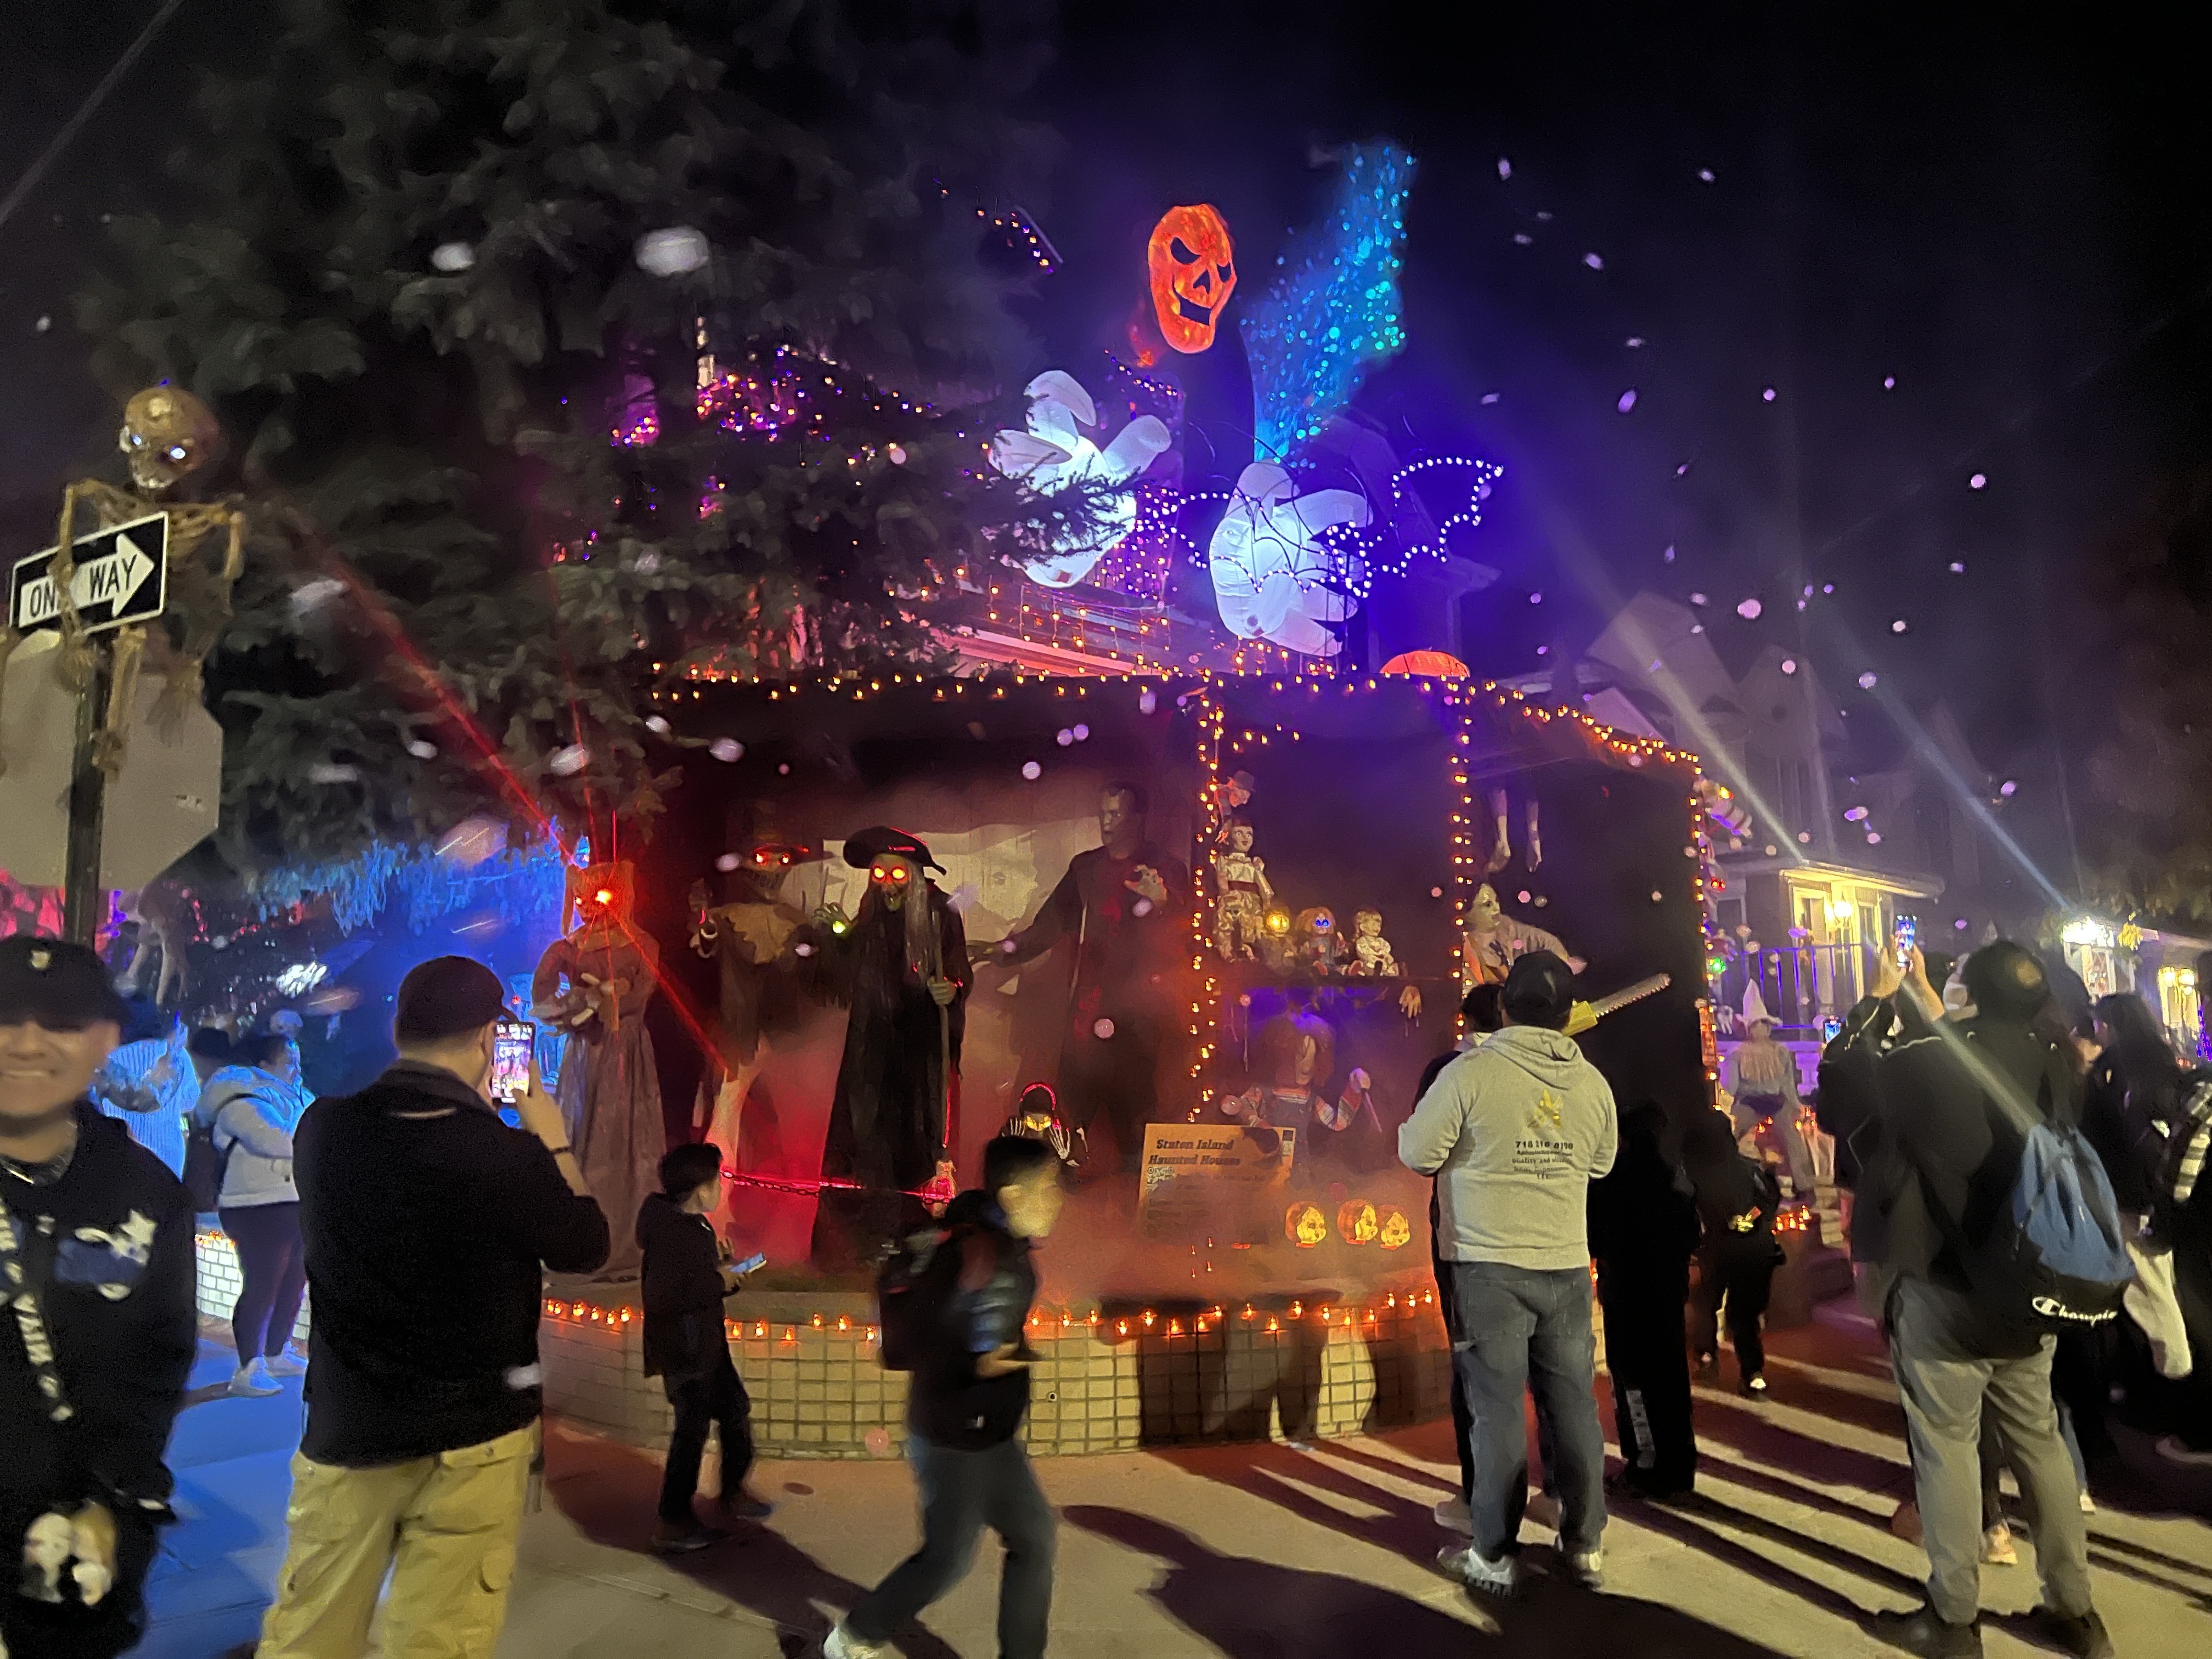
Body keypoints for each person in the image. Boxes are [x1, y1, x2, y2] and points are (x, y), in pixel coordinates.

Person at [255, 955, 610, 1659]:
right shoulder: (506, 1156)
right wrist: (548, 1128)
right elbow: (588, 1243)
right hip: (473, 1439)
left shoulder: (324, 1131)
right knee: (439, 1640)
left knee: (309, 1633)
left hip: (349, 1427)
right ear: (490, 1040)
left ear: (398, 1028)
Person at [1864, 942, 2111, 1659]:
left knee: (1947, 1451)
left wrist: (1882, 1004)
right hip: (2030, 1286)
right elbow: (1980, 1066)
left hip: (1944, 1285)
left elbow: (1847, 1095)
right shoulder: (2060, 1064)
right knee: (2040, 1446)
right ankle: (2076, 1611)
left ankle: (1953, 1618)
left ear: (1970, 991)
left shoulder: (1926, 1058)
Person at [1397, 951, 1618, 1599]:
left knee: (1494, 1411)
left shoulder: (1471, 1074)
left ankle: (1492, 1554)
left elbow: (1418, 1151)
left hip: (1488, 1265)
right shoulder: (1592, 1083)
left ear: (1505, 1007)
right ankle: (1584, 1543)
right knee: (1573, 1404)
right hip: (1567, 1265)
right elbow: (1602, 1163)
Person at [0, 937, 197, 1659]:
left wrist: (117, 1507)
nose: (26, 1043)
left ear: (105, 1041)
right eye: (5, 1016)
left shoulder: (147, 1196)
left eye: (58, 1022)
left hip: (67, 1558)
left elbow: (158, 1367)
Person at [826, 1136, 1065, 1659]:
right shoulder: (989, 1254)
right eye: (1048, 1186)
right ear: (1013, 1195)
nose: (1058, 1198)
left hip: (982, 1431)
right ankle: (853, 1638)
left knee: (1034, 1539)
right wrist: (1021, 1358)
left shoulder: (974, 1233)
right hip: (956, 1435)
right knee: (947, 1560)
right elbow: (980, 1352)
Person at [981, 783, 1187, 1172]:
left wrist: (1162, 904)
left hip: (1141, 1013)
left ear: (1137, 818)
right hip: (1089, 1009)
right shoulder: (1086, 868)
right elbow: (1051, 923)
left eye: (1116, 814)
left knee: (1136, 1115)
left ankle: (1136, 1207)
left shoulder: (1165, 867)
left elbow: (1188, 933)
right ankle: (1066, 1195)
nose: (1107, 823)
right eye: (1103, 813)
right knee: (1073, 1111)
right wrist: (1003, 952)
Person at [809, 827, 969, 1271]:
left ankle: (915, 1235)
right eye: (879, 872)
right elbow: (850, 964)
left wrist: (951, 988)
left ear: (915, 875)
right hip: (872, 1045)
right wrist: (837, 933)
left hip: (918, 1050)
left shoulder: (939, 910)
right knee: (864, 1139)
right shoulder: (872, 910)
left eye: (896, 872)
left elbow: (957, 968)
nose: (887, 881)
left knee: (916, 1138)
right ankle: (863, 1241)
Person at [638, 1140, 772, 1553]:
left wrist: (719, 1272)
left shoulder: (693, 1225)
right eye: (719, 1179)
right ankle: (672, 1520)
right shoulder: (670, 1232)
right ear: (701, 1188)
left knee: (735, 1410)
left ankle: (732, 1492)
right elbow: (662, 1296)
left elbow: (691, 1282)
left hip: (707, 1342)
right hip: (686, 1349)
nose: (722, 1187)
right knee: (691, 1434)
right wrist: (719, 1281)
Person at [1590, 1102, 1702, 1492]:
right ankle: (1680, 1464)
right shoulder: (1674, 1178)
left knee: (1634, 1384)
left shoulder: (1609, 1182)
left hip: (1627, 1300)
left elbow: (1594, 1237)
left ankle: (1645, 1465)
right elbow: (1693, 1235)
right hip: (1667, 1297)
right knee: (1673, 1382)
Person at [197, 1031, 312, 1398]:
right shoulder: (240, 1099)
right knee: (263, 1285)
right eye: (287, 1061)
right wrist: (311, 1128)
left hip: (294, 1199)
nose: (296, 1069)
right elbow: (276, 1140)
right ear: (264, 1065)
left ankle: (277, 1352)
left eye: (297, 1060)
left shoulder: (297, 1097)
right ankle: (249, 1366)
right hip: (254, 1206)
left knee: (294, 1282)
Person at [1682, 1109, 1783, 1396]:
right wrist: (1746, 1220)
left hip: (1721, 1251)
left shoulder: (1692, 1172)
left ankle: (1710, 1359)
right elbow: (1768, 1199)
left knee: (1709, 1305)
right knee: (1739, 1313)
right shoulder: (1748, 1169)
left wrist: (1737, 1222)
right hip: (1747, 1251)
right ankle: (1751, 1373)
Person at [87, 1000, 191, 1177]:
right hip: (144, 1164)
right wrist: (171, 1056)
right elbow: (146, 1099)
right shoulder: (95, 1062)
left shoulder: (97, 1060)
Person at [1725, 1014, 1816, 1198]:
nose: (1760, 1029)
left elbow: (1787, 1085)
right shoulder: (1737, 1054)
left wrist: (1797, 1104)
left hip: (1777, 1102)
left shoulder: (1781, 1051)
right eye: (1756, 1024)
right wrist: (1726, 1109)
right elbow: (1731, 1088)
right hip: (1749, 1103)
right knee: (1731, 1135)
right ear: (1748, 1028)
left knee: (1794, 1137)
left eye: (1763, 1024)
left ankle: (1804, 1185)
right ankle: (1730, 1180)